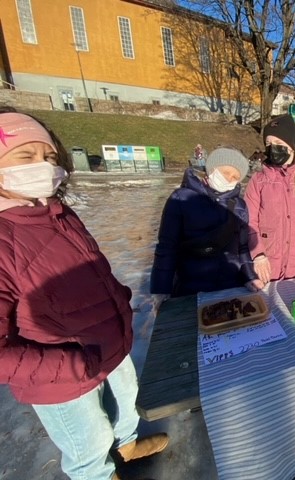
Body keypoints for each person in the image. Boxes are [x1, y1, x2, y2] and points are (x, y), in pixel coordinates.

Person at [0, 108, 168, 480]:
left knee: (126, 401)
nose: (42, 166)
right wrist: (65, 366)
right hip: (59, 375)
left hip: (108, 343)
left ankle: (126, 445)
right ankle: (97, 473)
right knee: (88, 441)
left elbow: (92, 266)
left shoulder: (59, 213)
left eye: (48, 157)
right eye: (25, 157)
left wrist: (118, 299)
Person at [151, 147, 261, 297]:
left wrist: (250, 277)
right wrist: (160, 289)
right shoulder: (181, 199)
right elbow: (167, 247)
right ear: (212, 169)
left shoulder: (239, 206)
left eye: (236, 177)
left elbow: (242, 248)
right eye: (226, 172)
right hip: (190, 290)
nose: (230, 179)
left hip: (230, 287)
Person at [244, 114, 295, 283]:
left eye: (279, 144)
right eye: (269, 144)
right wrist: (258, 254)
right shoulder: (259, 179)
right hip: (267, 263)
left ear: (292, 146)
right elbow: (249, 220)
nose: (273, 148)